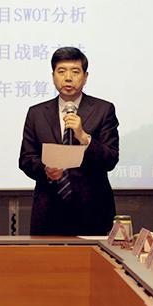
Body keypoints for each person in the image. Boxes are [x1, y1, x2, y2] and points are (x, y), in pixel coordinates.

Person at [19, 47, 119, 235]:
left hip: (93, 210)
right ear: (53, 76)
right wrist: (46, 170)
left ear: (85, 77)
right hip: (49, 211)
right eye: (61, 71)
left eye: (75, 72)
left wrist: (84, 137)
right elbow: (26, 159)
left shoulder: (103, 110)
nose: (68, 78)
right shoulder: (36, 113)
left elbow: (110, 159)